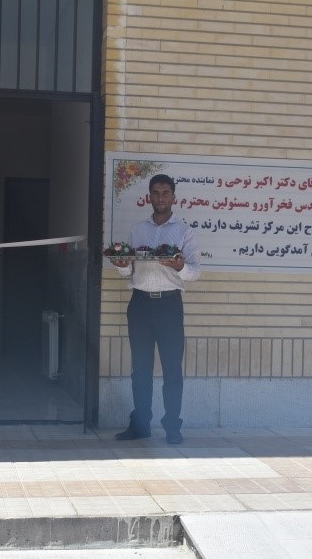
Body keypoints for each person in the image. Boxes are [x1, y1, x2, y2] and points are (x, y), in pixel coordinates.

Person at [111, 173, 201, 444]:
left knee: (172, 370)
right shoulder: (138, 230)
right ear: (149, 196)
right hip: (139, 304)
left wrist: (180, 267)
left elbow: (195, 271)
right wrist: (122, 265)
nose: (160, 198)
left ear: (174, 197)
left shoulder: (184, 232)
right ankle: (141, 425)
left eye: (165, 193)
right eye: (156, 193)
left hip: (169, 305)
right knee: (140, 370)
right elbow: (129, 271)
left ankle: (172, 427)